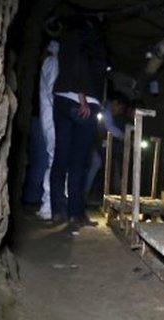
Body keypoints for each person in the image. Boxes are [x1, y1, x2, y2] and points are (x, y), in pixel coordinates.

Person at [49, 18, 107, 230]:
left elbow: (71, 64)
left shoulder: (67, 40)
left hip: (62, 100)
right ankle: (75, 214)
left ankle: (58, 212)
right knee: (79, 163)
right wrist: (83, 97)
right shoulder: (88, 41)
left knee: (61, 157)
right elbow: (80, 65)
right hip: (84, 103)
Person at [36, 39, 61, 220]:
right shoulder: (52, 63)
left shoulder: (50, 63)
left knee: (56, 160)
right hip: (53, 118)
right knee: (55, 160)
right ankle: (48, 206)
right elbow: (53, 91)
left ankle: (52, 204)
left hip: (51, 117)